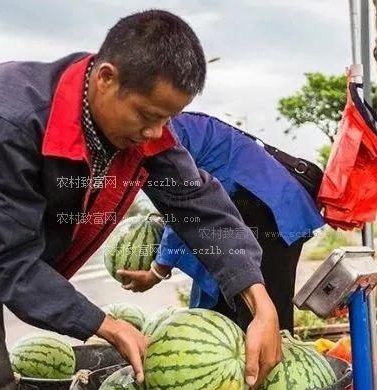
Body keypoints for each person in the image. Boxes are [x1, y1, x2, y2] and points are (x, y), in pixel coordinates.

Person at [0, 11, 282, 390]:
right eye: (148, 116)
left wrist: (260, 304)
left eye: (167, 119)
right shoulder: (5, 119)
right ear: (106, 78)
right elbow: (10, 260)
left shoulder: (144, 126)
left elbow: (198, 205)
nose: (155, 133)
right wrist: (107, 325)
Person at [119, 112, 325, 333]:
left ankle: (271, 365)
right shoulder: (165, 125)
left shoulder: (156, 134)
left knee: (260, 318)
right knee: (221, 312)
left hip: (264, 206)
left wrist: (158, 271)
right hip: (255, 201)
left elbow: (185, 207)